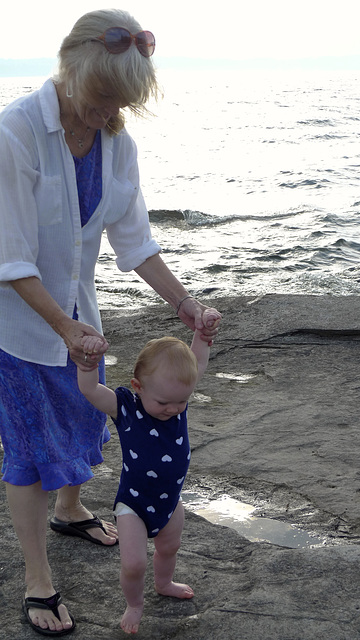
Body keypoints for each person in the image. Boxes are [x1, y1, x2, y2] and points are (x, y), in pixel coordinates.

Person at [0, 8, 221, 637]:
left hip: (79, 320)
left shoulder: (116, 142)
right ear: (68, 69)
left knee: (78, 417)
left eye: (121, 101)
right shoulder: (15, 133)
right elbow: (9, 256)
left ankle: (70, 510)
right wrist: (64, 332)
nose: (107, 114)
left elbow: (136, 241)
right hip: (17, 327)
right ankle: (38, 579)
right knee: (30, 451)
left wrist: (183, 303)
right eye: (100, 98)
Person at [77, 308, 221, 634]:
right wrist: (86, 366)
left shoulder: (176, 397)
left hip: (171, 501)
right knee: (133, 563)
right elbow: (90, 391)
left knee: (170, 547)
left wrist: (202, 334)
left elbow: (196, 364)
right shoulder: (125, 407)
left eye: (181, 403)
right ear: (137, 387)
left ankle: (164, 582)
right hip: (133, 505)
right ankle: (134, 603)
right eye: (164, 404)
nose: (173, 410)